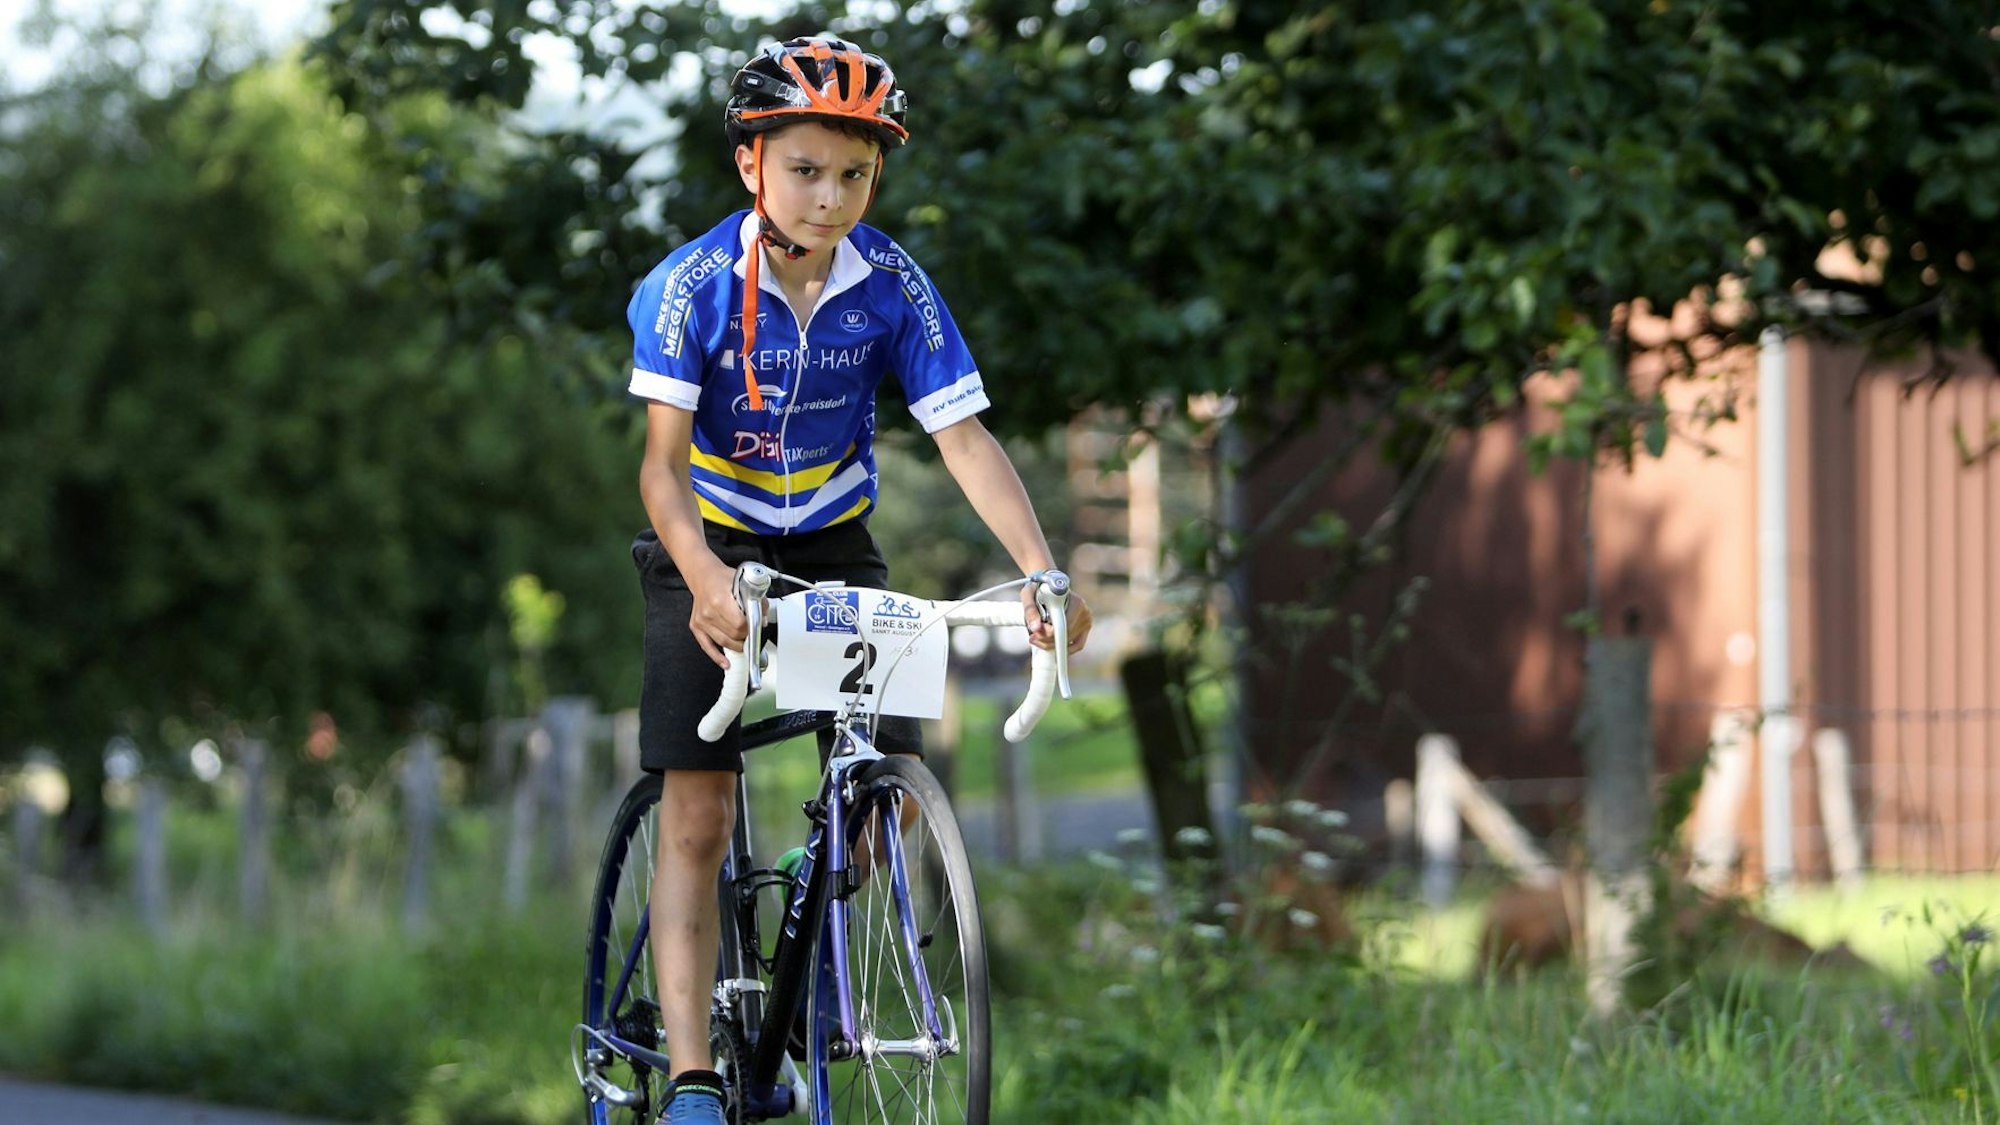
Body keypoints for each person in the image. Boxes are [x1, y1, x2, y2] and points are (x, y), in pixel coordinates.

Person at [624, 35, 1093, 1125]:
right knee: (697, 813)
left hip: (832, 544)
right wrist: (700, 578)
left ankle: (812, 912)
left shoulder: (892, 284)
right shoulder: (686, 286)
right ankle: (694, 1076)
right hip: (707, 544)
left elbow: (964, 438)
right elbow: (656, 468)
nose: (830, 197)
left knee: (884, 797)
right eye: (804, 170)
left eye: (854, 174)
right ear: (751, 164)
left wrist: (1039, 573)